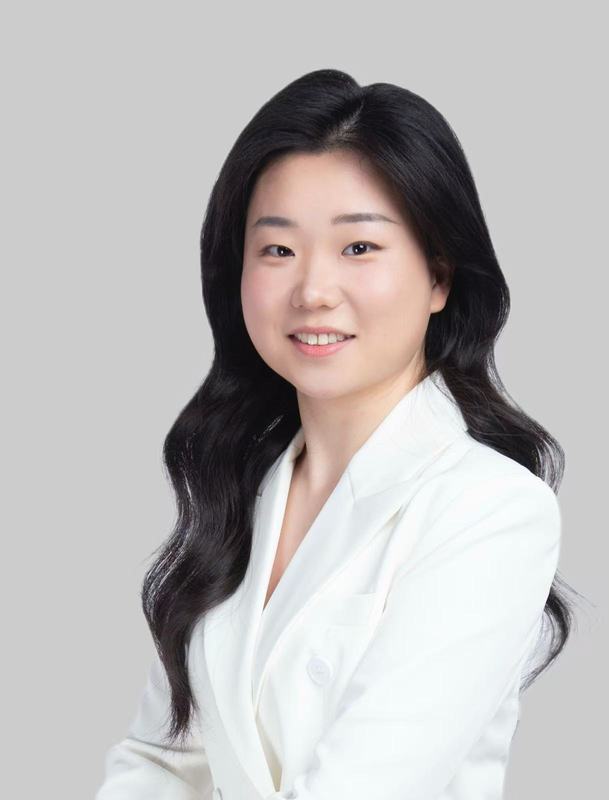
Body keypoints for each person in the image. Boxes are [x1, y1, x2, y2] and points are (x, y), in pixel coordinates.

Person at [95, 68, 577, 800]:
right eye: (277, 250)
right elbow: (160, 762)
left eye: (359, 248)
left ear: (439, 276)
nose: (314, 291)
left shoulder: (490, 509)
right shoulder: (241, 490)